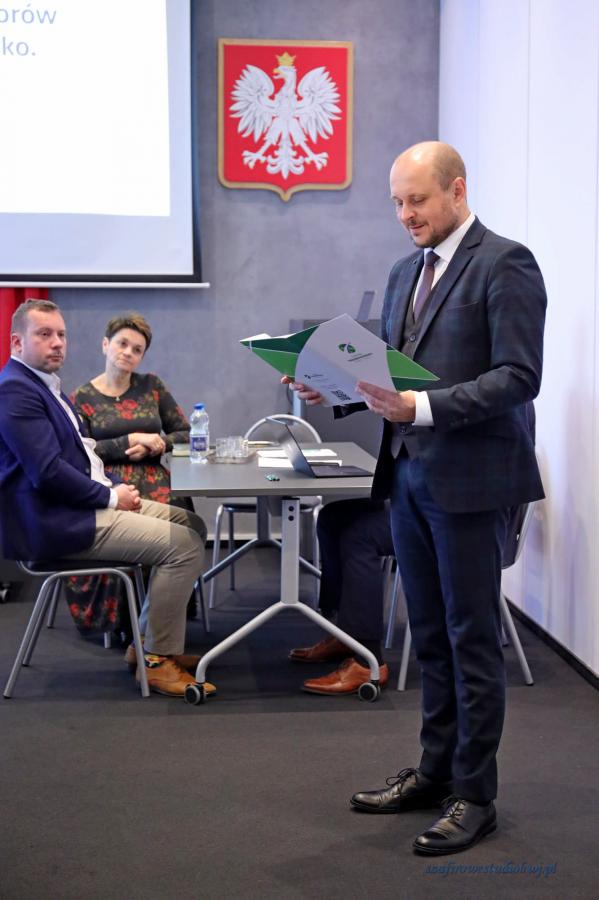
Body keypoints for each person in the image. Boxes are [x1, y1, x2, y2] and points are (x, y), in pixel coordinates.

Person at [283, 141, 546, 855]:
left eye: (417, 200)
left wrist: (421, 409)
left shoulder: (506, 263)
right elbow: (390, 374)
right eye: (397, 202)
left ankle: (475, 795)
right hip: (406, 477)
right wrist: (330, 388)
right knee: (428, 637)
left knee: (470, 639)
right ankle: (434, 773)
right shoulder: (405, 271)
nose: (405, 214)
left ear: (457, 190)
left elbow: (518, 376)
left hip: (472, 483)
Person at [0, 299, 214, 698]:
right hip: (58, 521)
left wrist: (116, 487)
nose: (57, 343)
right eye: (44, 334)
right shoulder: (15, 390)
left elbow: (84, 457)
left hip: (82, 504)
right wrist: (111, 497)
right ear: (17, 342)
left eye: (61, 334)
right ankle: (156, 659)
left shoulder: (46, 386)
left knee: (191, 524)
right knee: (183, 546)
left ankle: (146, 643)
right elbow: (47, 472)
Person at [65, 312, 203, 643]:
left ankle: (155, 625)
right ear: (105, 345)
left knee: (185, 523)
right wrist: (128, 441)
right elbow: (78, 452)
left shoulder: (152, 386)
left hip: (156, 476)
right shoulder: (81, 397)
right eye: (122, 344)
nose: (128, 352)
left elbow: (187, 432)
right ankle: (130, 626)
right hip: (108, 481)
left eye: (137, 349)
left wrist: (159, 443)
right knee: (141, 525)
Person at [289, 498, 394, 694]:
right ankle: (346, 635)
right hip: (415, 499)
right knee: (331, 517)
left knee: (359, 534)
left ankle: (368, 660)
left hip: (435, 511)